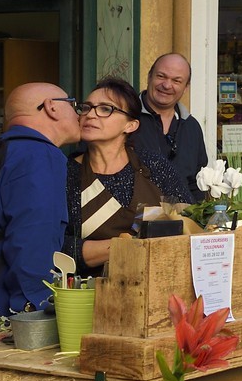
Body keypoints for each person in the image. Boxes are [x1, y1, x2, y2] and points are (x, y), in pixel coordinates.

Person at [0, 83, 84, 315]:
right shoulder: (39, 155)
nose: (79, 114)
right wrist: (37, 308)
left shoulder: (2, 151)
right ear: (51, 107)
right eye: (73, 105)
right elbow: (33, 239)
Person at [66, 77, 192, 276]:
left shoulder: (154, 166)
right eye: (86, 108)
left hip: (157, 284)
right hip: (91, 290)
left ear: (131, 126)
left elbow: (188, 223)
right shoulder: (66, 173)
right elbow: (55, 246)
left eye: (105, 109)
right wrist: (128, 246)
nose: (90, 115)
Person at [135, 53, 209, 199]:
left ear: (186, 87)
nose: (167, 85)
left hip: (184, 212)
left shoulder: (192, 127)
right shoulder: (124, 118)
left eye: (176, 80)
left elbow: (197, 184)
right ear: (149, 77)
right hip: (132, 213)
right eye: (161, 76)